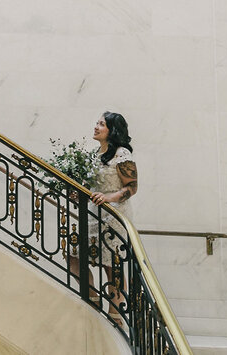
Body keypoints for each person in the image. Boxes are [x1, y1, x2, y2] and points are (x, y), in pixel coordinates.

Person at [89, 111, 138, 326]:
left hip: (115, 215)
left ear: (112, 130)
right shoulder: (94, 154)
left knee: (113, 266)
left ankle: (115, 318)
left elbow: (132, 187)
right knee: (74, 256)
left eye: (101, 124)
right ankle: (91, 300)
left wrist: (110, 197)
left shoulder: (121, 153)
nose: (96, 127)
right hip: (93, 214)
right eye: (97, 123)